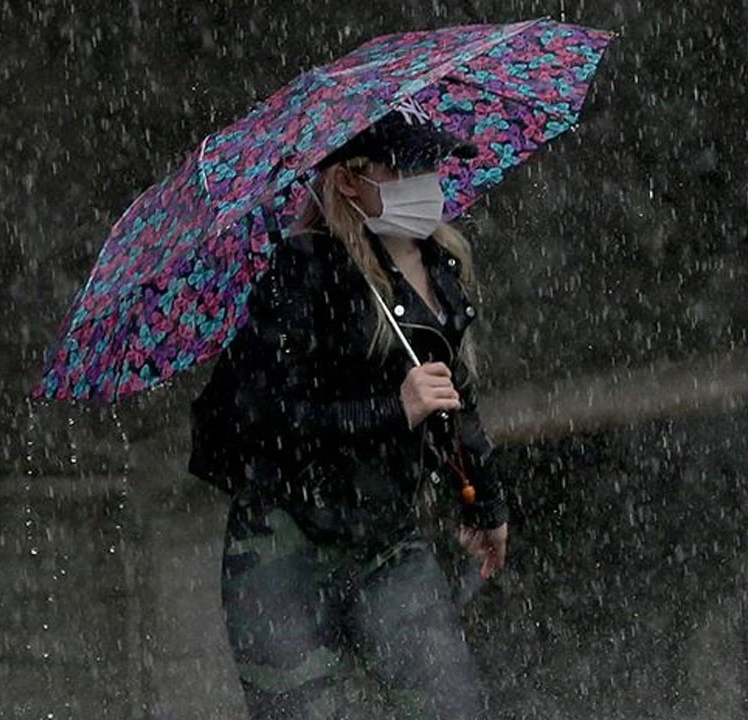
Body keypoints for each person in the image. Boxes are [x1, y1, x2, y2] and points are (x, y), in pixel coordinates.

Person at [188, 97, 509, 720]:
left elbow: (455, 401)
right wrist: (391, 409)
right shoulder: (302, 272)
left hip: (386, 536)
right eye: (405, 169)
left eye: (432, 166)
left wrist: (486, 504)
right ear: (348, 181)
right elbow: (270, 417)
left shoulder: (442, 267)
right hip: (283, 541)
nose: (425, 184)